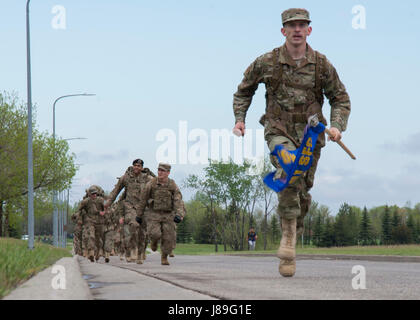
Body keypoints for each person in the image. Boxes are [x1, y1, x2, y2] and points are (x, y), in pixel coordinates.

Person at [232, 8, 350, 277]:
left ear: (309, 30)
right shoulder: (267, 62)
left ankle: (292, 230)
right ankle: (287, 240)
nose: (297, 30)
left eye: (302, 25)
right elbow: (243, 90)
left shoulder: (321, 65)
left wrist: (336, 126)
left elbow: (340, 98)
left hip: (311, 135)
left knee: (302, 189)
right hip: (278, 130)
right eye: (291, 25)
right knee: (288, 171)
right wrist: (240, 119)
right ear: (283, 30)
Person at [105, 159, 154, 263]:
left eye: (139, 166)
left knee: (142, 232)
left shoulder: (148, 179)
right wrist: (108, 203)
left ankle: (141, 253)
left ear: (142, 168)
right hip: (130, 207)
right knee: (133, 226)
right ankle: (133, 250)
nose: (136, 167)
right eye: (135, 165)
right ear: (132, 166)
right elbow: (116, 191)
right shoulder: (125, 178)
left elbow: (156, 190)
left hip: (143, 207)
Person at [136, 163, 184, 266]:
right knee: (154, 234)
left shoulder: (172, 185)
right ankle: (153, 242)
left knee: (168, 238)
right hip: (154, 214)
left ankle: (164, 257)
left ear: (168, 173)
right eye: (159, 170)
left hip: (168, 215)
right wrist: (139, 215)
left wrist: (179, 214)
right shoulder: (151, 184)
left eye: (162, 171)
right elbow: (143, 199)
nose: (160, 172)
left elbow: (177, 199)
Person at [78, 185, 105, 262]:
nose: (94, 195)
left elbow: (106, 208)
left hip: (99, 222)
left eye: (95, 193)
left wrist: (104, 212)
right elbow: (79, 210)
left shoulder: (101, 200)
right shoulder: (85, 202)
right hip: (90, 221)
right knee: (91, 236)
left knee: (98, 239)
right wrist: (80, 219)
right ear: (89, 194)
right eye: (93, 194)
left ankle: (97, 253)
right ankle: (91, 253)